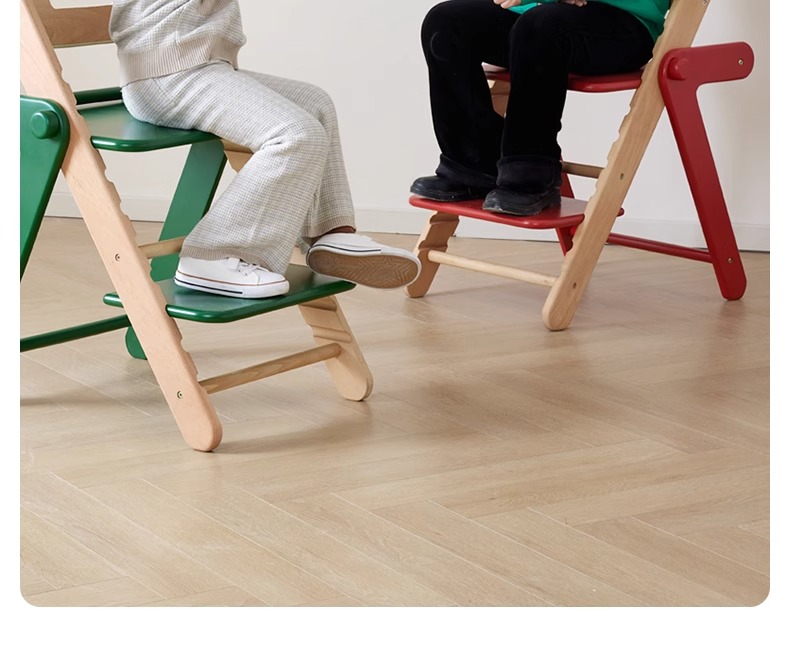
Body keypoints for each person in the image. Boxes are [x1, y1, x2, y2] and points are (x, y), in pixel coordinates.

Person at [110, 0, 421, 299]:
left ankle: (329, 233)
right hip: (166, 74)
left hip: (199, 66)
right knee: (297, 133)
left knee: (315, 105)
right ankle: (211, 255)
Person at [411, 0, 670, 216]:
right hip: (538, 13)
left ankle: (530, 173)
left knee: (541, 26)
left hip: (623, 21)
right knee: (445, 22)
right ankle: (472, 163)